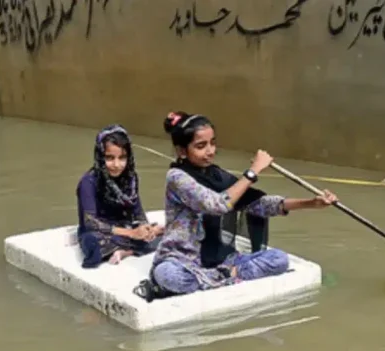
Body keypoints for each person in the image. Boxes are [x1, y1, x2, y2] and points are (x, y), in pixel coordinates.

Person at [137, 111, 338, 299]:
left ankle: (219, 277)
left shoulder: (217, 175)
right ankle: (226, 277)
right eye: (201, 146)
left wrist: (312, 203)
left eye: (212, 143)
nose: (210, 151)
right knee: (168, 276)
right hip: (183, 260)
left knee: (279, 260)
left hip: (223, 260)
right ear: (182, 151)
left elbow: (259, 205)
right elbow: (217, 204)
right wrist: (252, 172)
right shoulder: (177, 177)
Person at [76, 125, 164, 268]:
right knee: (93, 244)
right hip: (100, 231)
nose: (117, 165)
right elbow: (90, 222)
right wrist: (131, 233)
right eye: (109, 158)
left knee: (163, 234)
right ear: (100, 156)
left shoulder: (130, 178)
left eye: (122, 158)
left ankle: (125, 252)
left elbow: (137, 210)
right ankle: (128, 249)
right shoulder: (89, 182)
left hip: (124, 226)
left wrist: (145, 228)